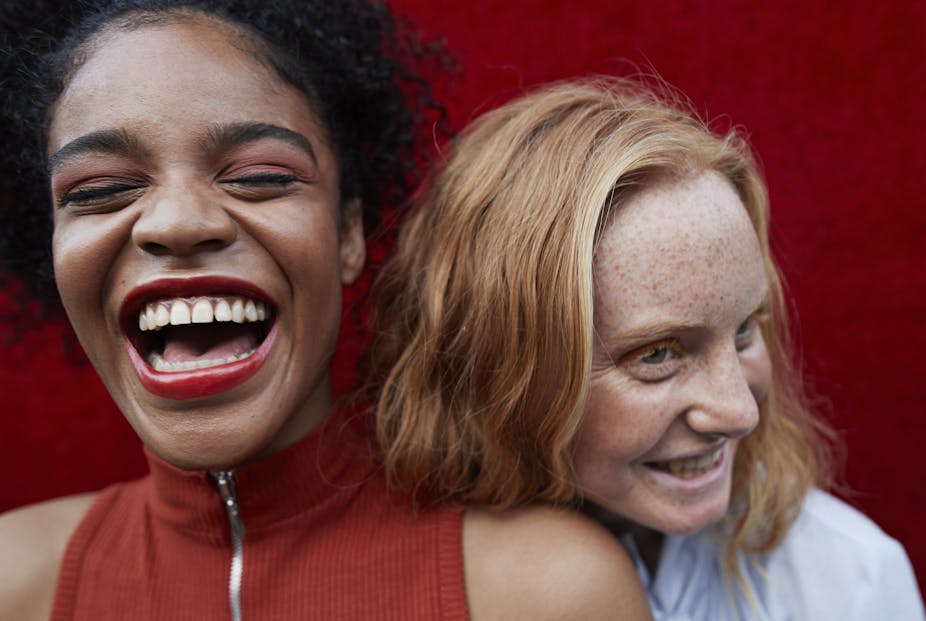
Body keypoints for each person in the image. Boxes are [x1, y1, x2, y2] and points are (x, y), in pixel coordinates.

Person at [0, 4, 653, 620]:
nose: (177, 222)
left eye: (259, 175)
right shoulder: (14, 580)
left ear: (347, 233)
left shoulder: (542, 589)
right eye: (102, 189)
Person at [367, 77, 926, 620]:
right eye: (658, 355)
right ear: (501, 367)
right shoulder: (391, 575)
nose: (739, 412)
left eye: (744, 330)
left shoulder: (848, 585)